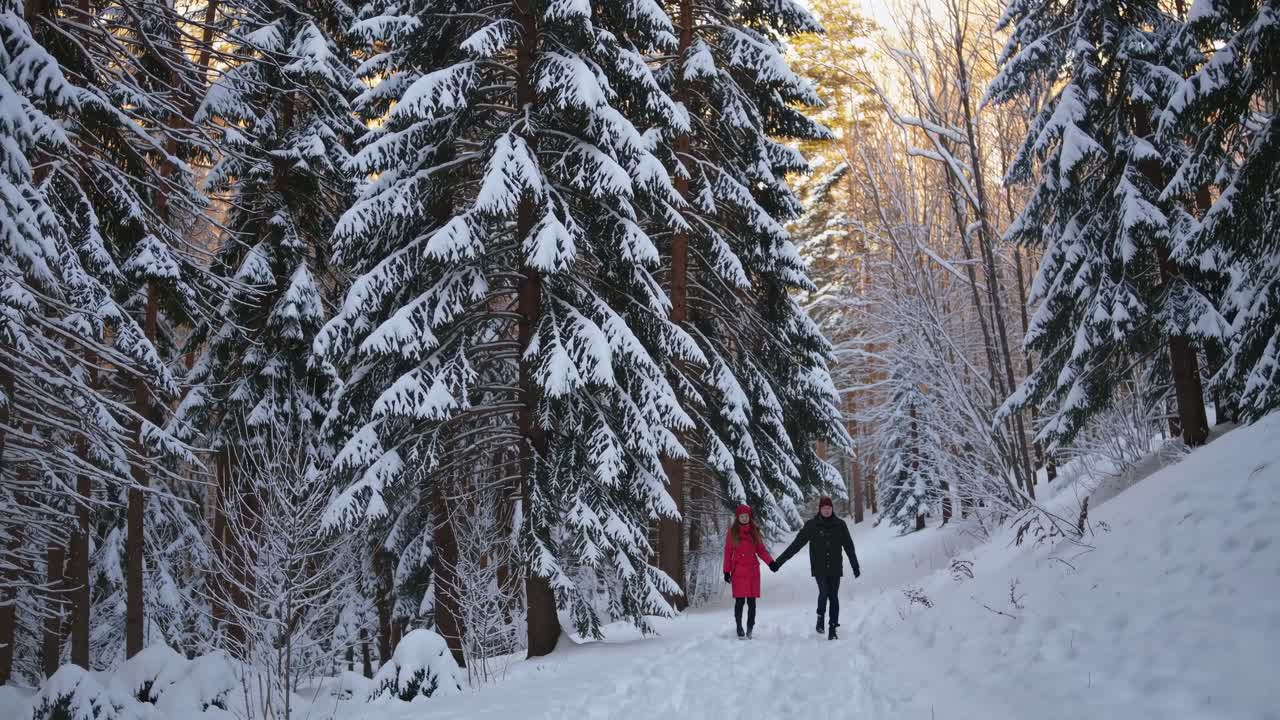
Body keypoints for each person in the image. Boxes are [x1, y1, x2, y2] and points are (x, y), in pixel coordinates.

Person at [770, 496, 860, 640]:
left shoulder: (840, 525)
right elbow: (795, 545)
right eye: (824, 508)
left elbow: (849, 546)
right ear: (820, 509)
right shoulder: (812, 526)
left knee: (834, 596)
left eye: (829, 508)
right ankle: (820, 615)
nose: (827, 510)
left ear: (832, 509)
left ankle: (832, 627)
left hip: (835, 567)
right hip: (819, 568)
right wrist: (778, 563)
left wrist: (855, 566)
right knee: (824, 592)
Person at [723, 504, 774, 639]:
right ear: (738, 517)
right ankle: (739, 627)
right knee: (739, 602)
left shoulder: (754, 531)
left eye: (746, 516)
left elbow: (761, 550)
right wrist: (726, 571)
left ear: (749, 517)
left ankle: (750, 627)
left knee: (752, 602)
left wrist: (771, 563)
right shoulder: (732, 532)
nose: (744, 518)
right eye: (742, 516)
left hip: (752, 572)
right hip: (738, 571)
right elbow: (728, 552)